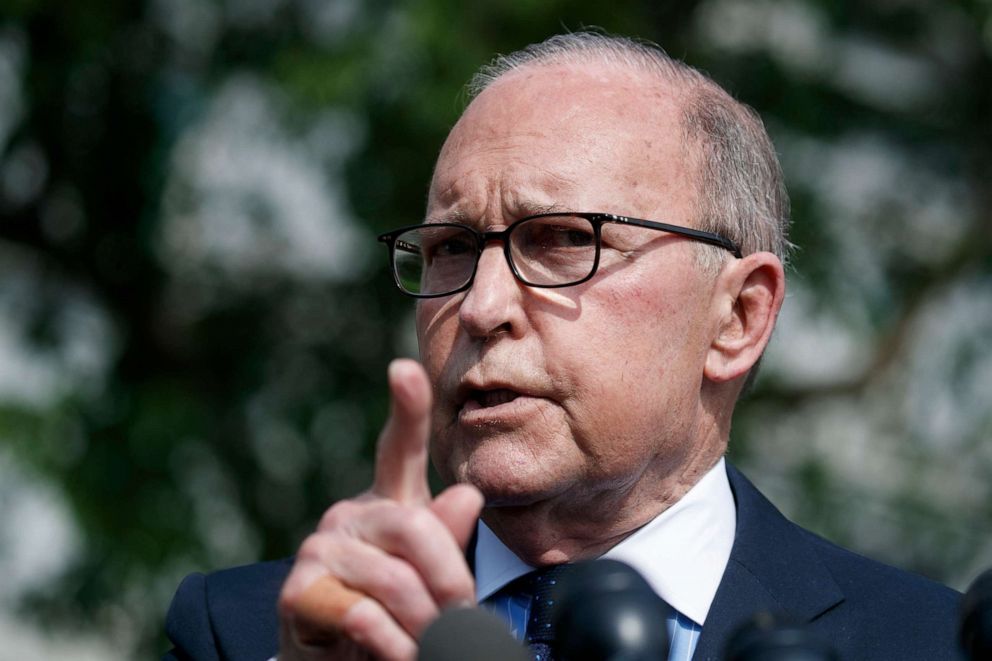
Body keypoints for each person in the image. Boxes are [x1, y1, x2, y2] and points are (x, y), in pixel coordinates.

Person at [163, 32, 960, 661]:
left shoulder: (932, 646)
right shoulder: (247, 635)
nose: (481, 306)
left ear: (738, 317)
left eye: (561, 240)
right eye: (449, 248)